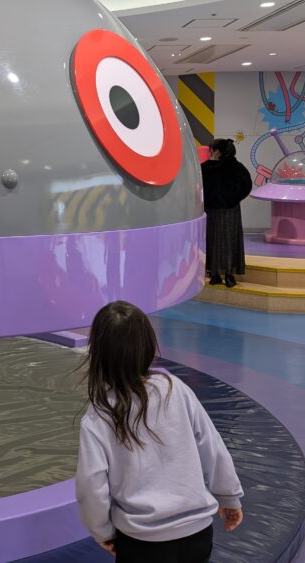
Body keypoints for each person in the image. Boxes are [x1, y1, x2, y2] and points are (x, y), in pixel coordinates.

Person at [76, 301, 244, 562]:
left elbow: (92, 484)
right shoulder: (175, 389)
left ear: (98, 353)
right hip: (196, 534)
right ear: (148, 344)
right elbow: (212, 447)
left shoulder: (98, 416)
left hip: (142, 541)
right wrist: (229, 496)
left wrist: (102, 531)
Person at [201, 139, 252, 288]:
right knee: (231, 241)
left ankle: (214, 274)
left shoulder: (206, 168)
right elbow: (247, 186)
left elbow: (198, 188)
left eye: (211, 150)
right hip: (231, 210)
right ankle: (229, 275)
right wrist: (234, 199)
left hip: (211, 210)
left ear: (217, 151)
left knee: (212, 240)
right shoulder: (237, 167)